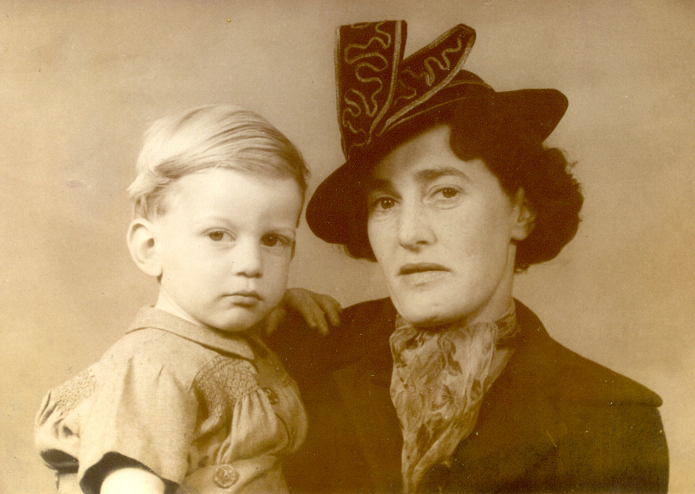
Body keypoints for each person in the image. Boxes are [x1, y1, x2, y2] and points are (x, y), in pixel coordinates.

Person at [269, 20, 669, 493]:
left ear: (521, 211)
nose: (409, 234)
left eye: (445, 192)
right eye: (385, 202)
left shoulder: (612, 419)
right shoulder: (301, 349)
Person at [34, 105, 340, 494]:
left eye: (273, 240)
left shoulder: (232, 334)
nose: (251, 265)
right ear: (149, 247)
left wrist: (284, 302)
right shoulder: (151, 366)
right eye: (218, 235)